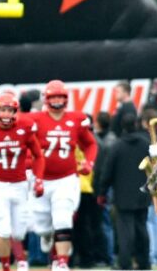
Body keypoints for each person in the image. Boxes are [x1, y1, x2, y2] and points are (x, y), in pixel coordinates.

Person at [27, 80, 97, 271]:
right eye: (53, 97)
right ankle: (48, 237)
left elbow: (90, 144)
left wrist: (88, 162)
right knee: (42, 227)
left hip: (66, 178)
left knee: (63, 219)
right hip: (41, 178)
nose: (57, 101)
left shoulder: (76, 118)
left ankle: (62, 262)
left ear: (66, 99)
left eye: (60, 97)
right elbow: (24, 144)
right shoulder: (35, 119)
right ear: (46, 99)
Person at [0, 93, 45, 271]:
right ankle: (6, 266)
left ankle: (20, 258)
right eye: (2, 109)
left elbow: (38, 156)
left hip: (20, 184)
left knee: (19, 233)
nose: (5, 114)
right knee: (4, 230)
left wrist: (39, 178)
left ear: (15, 111)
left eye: (9, 110)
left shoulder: (25, 127)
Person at [97, 113, 150, 270]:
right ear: (137, 124)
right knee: (142, 229)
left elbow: (107, 171)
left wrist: (102, 192)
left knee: (125, 231)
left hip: (122, 195)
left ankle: (125, 263)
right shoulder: (146, 143)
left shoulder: (117, 146)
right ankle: (144, 262)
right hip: (143, 193)